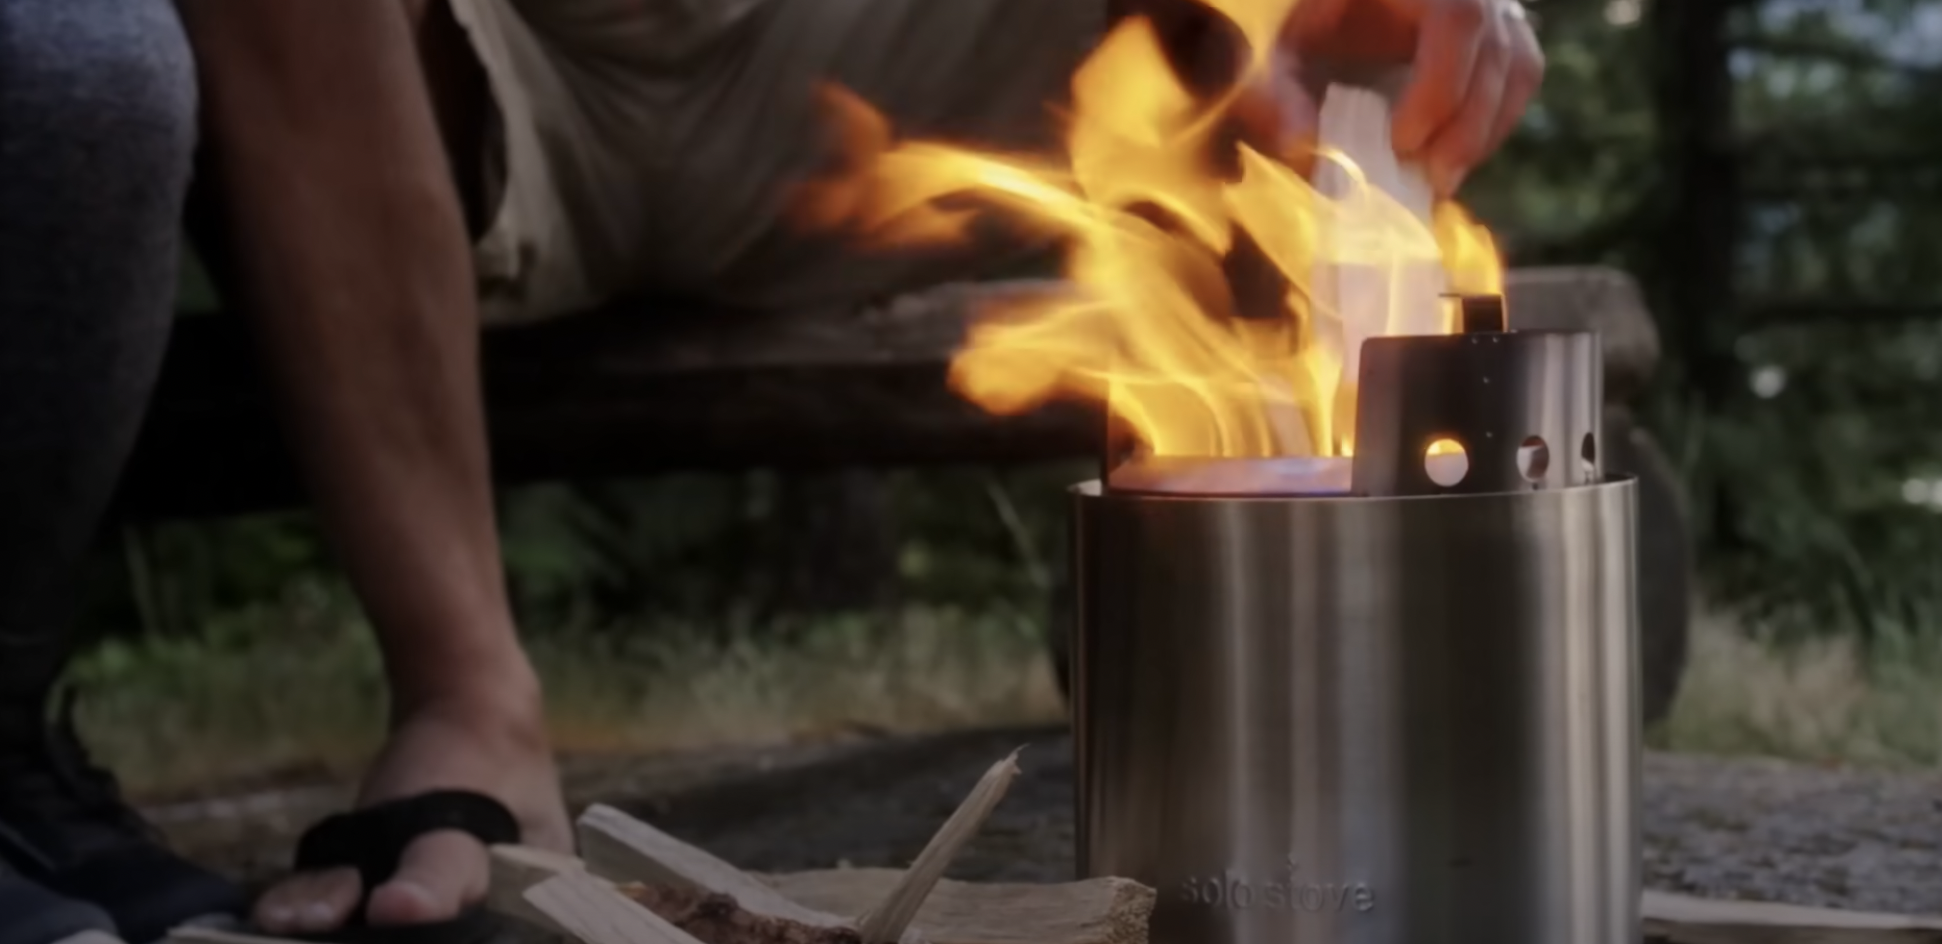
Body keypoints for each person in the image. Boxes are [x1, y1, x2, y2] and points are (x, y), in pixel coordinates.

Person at [0, 0, 1540, 941]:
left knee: (1341, 20)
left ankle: (1331, 720)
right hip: (446, 71)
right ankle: (471, 695)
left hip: (867, 51)